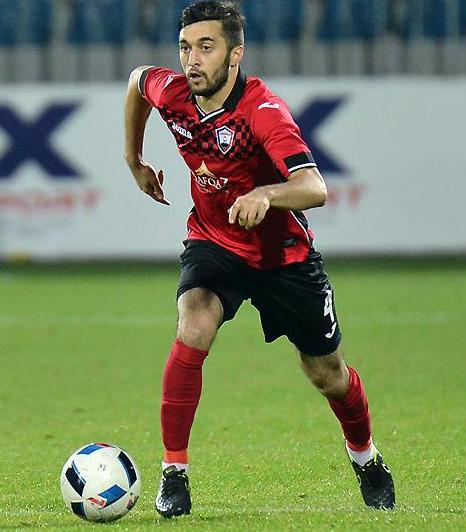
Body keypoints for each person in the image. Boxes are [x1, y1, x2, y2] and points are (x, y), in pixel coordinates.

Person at [123, 0, 395, 518]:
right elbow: (138, 81)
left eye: (206, 47)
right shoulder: (173, 93)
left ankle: (365, 456)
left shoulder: (263, 111)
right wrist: (134, 159)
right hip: (215, 242)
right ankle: (174, 473)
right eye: (185, 47)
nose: (192, 60)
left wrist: (267, 195)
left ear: (235, 53)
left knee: (327, 374)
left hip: (283, 258)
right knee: (193, 323)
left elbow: (314, 187)